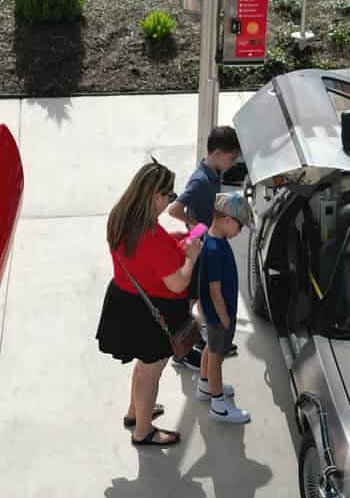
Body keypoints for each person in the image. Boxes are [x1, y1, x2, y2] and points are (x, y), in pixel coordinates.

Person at [96, 160, 201, 447]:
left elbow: (144, 257)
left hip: (126, 301)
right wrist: (191, 256)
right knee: (152, 371)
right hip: (154, 311)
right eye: (170, 196)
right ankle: (144, 431)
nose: (171, 200)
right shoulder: (150, 236)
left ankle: (135, 413)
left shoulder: (120, 218)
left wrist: (175, 241)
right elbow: (178, 283)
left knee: (143, 366)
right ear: (156, 196)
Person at [166, 124, 242, 374]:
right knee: (192, 299)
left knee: (201, 296)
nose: (232, 164)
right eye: (231, 158)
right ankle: (183, 352)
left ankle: (212, 340)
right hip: (199, 247)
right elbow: (175, 209)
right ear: (218, 153)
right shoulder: (200, 180)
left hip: (207, 243)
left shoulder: (213, 173)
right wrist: (198, 229)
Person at [195, 191, 250, 425]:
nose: (240, 231)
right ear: (227, 220)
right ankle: (219, 406)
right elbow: (215, 290)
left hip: (213, 314)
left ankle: (205, 385)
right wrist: (225, 318)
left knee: (210, 347)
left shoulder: (214, 240)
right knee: (217, 356)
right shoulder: (215, 250)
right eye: (240, 226)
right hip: (219, 315)